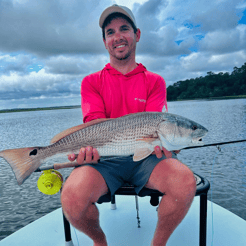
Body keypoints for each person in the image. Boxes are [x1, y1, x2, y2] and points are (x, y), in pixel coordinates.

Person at [61, 4, 196, 246]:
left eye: (124, 28)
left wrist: (169, 146)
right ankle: (100, 242)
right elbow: (94, 124)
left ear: (137, 34)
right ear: (104, 42)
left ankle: (158, 244)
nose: (118, 36)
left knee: (185, 182)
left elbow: (158, 125)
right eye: (110, 32)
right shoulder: (91, 82)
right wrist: (86, 151)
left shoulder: (154, 81)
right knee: (71, 197)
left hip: (147, 157)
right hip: (104, 159)